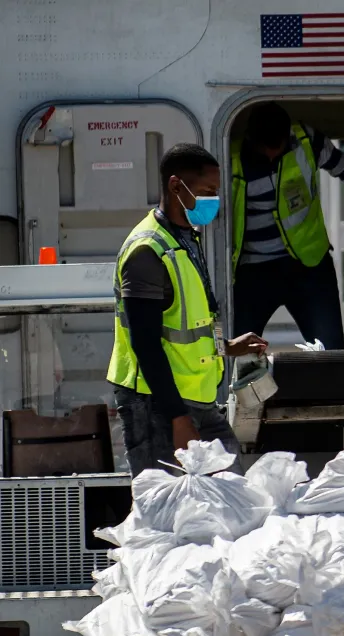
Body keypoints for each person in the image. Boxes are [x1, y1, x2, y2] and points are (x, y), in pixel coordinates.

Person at [107, 143, 268, 476]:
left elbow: (190, 324)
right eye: (206, 191)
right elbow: (146, 344)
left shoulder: (185, 239)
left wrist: (226, 348)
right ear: (176, 185)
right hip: (157, 406)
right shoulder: (147, 251)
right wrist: (177, 418)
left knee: (233, 494)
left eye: (216, 192)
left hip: (198, 400)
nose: (214, 200)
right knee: (169, 515)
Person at [229, 102, 344, 349]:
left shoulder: (306, 141)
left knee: (331, 349)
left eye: (276, 149)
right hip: (253, 271)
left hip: (309, 266)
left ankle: (330, 388)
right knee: (237, 350)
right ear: (250, 139)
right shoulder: (230, 158)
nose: (270, 156)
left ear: (286, 137)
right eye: (263, 150)